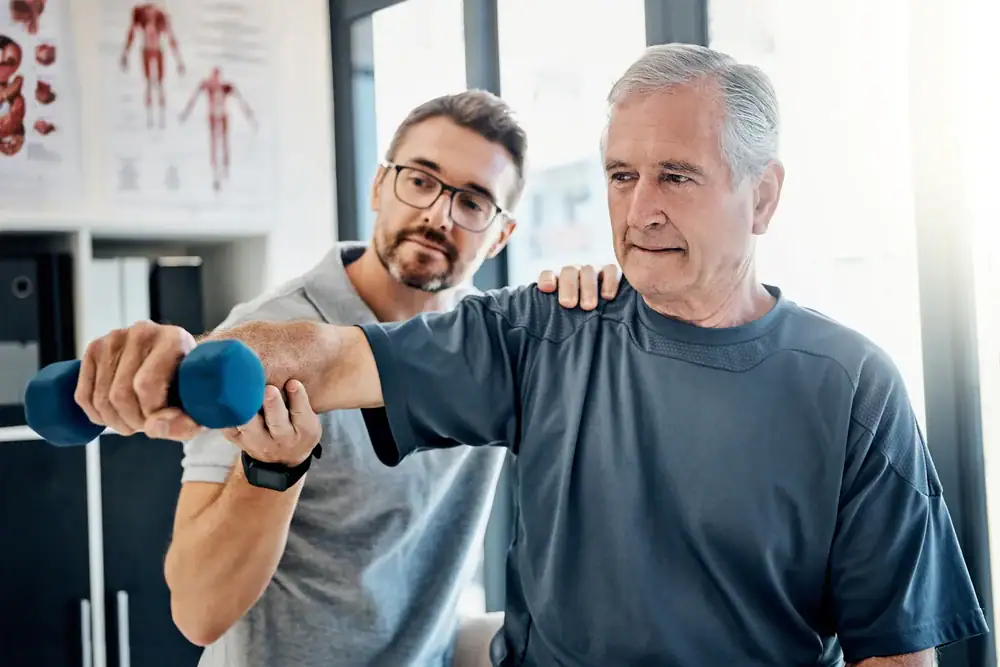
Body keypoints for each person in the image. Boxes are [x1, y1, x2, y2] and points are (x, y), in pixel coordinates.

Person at [70, 44, 988, 667]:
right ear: (383, 180)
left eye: (675, 175)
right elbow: (320, 354)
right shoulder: (535, 330)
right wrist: (187, 356)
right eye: (622, 177)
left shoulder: (850, 383)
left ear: (764, 196)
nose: (638, 211)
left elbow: (895, 647)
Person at [74, 89, 617, 667]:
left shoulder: (494, 348)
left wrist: (598, 305)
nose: (437, 214)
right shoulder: (268, 335)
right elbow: (198, 612)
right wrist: (273, 471)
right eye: (420, 180)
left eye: (474, 202)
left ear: (500, 236)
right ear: (379, 186)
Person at [179, 66, 256, 192]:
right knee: (215, 142)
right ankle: (217, 169)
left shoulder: (225, 87)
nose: (215, 79)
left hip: (221, 115)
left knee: (222, 142)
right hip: (214, 115)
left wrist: (250, 116)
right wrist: (186, 113)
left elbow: (241, 101)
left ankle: (224, 168)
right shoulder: (208, 85)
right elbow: (194, 99)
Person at [121, 3, 184, 129]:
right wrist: (125, 53)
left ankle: (160, 118)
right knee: (150, 84)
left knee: (158, 84)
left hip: (156, 49)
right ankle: (151, 118)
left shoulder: (161, 17)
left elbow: (171, 38)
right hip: (148, 49)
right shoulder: (141, 15)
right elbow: (131, 34)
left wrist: (178, 60)